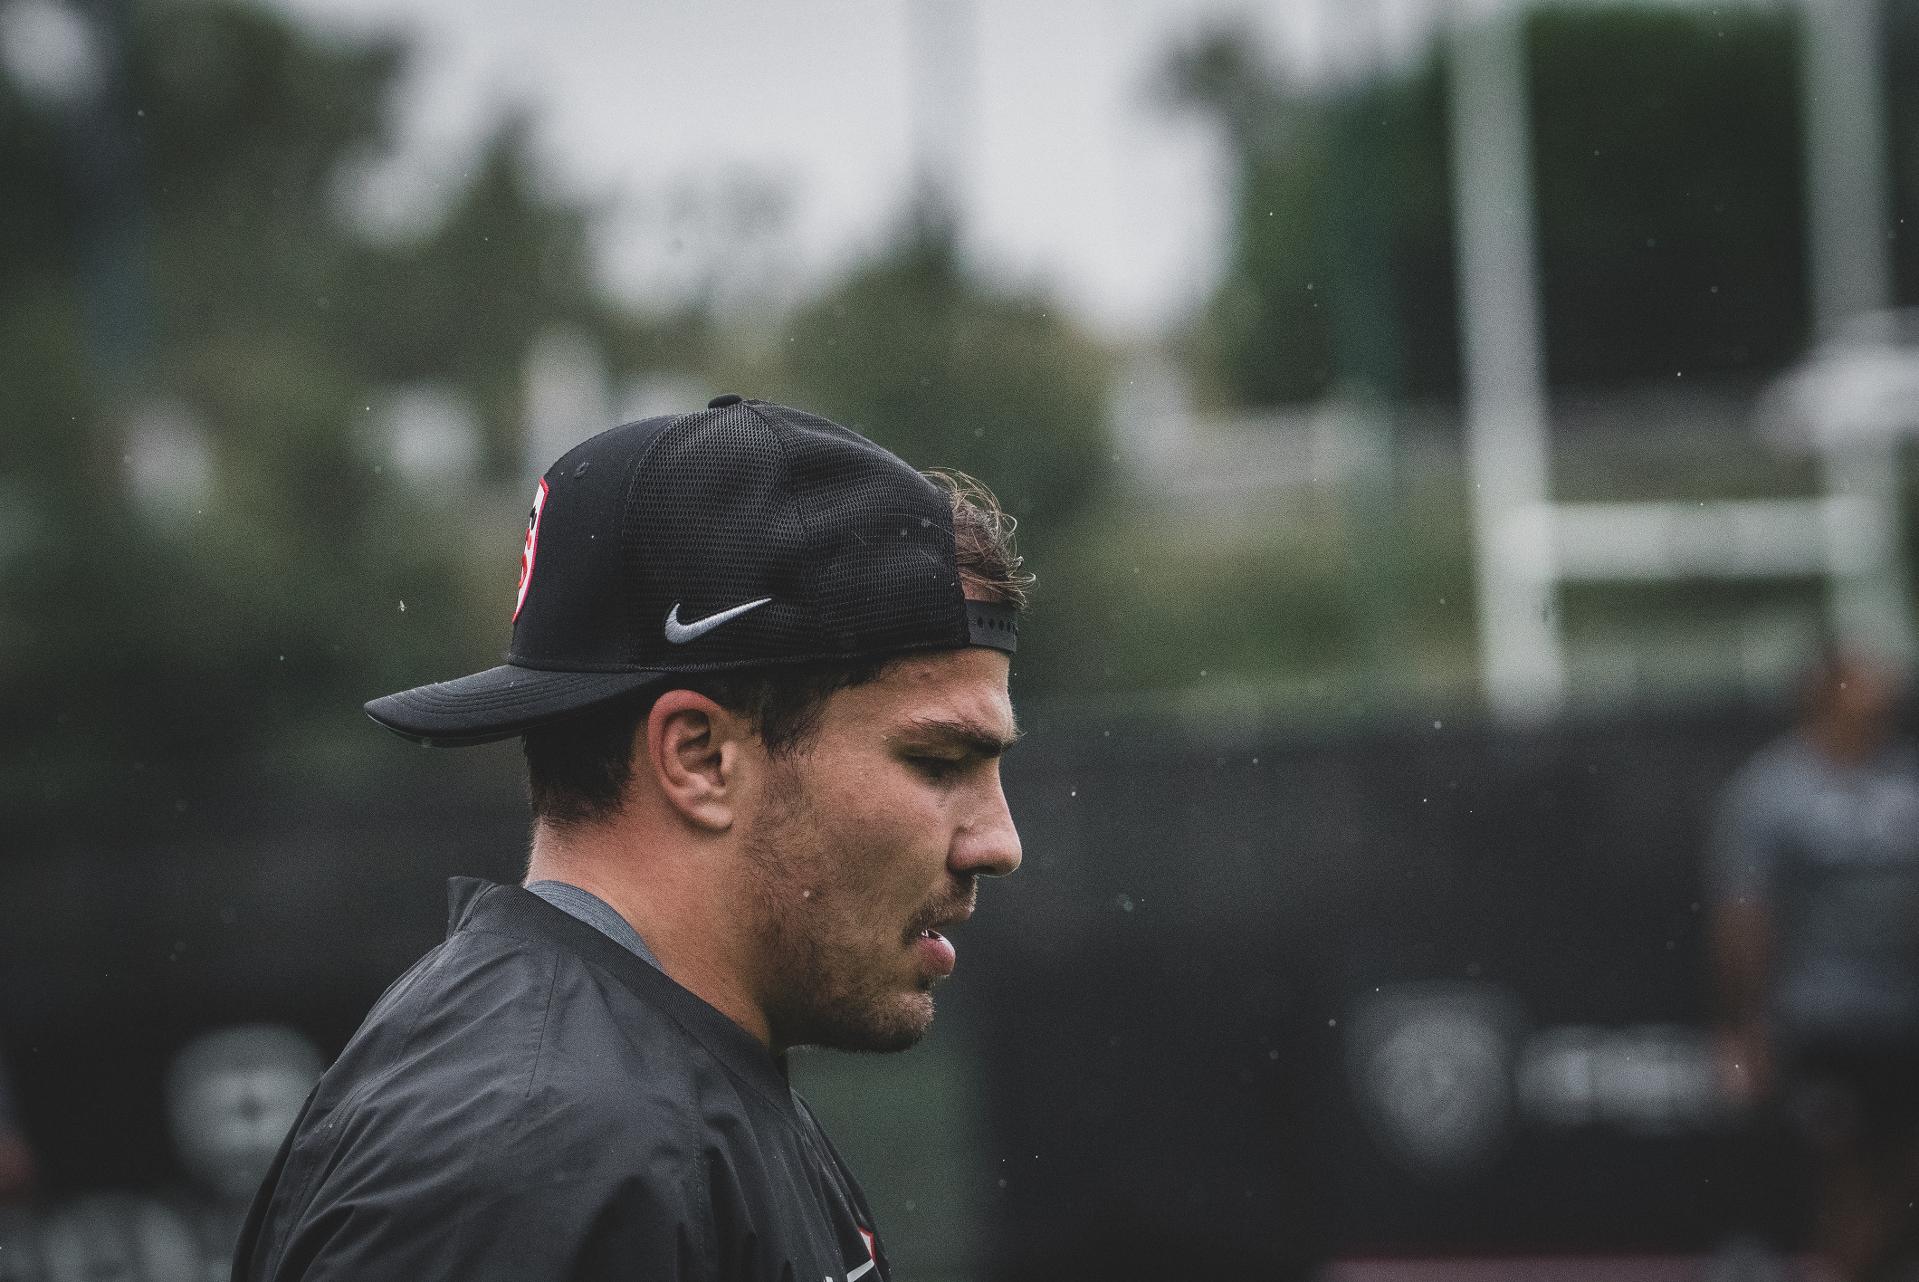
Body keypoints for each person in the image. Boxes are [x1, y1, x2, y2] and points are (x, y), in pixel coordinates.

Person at [233, 397, 1028, 1281]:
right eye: (938, 759)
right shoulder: (533, 1158)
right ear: (699, 758)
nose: (997, 842)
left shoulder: (641, 1087)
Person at [1708, 648, 1919, 1280]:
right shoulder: (1773, 792)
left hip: (1903, 1015)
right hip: (1818, 1017)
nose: (1875, 719)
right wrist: (1743, 1023)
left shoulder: (1907, 784)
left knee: (1900, 1164)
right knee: (1840, 1166)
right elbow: (1744, 915)